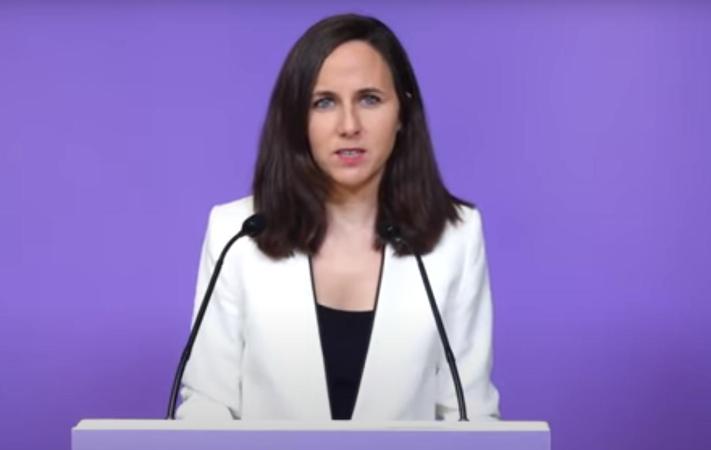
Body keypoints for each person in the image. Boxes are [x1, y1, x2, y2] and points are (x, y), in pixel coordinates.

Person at [175, 13, 500, 421]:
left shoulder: (456, 236)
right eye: (324, 102)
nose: (349, 125)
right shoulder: (236, 233)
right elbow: (208, 404)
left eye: (370, 99)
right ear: (297, 118)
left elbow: (469, 414)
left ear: (402, 112)